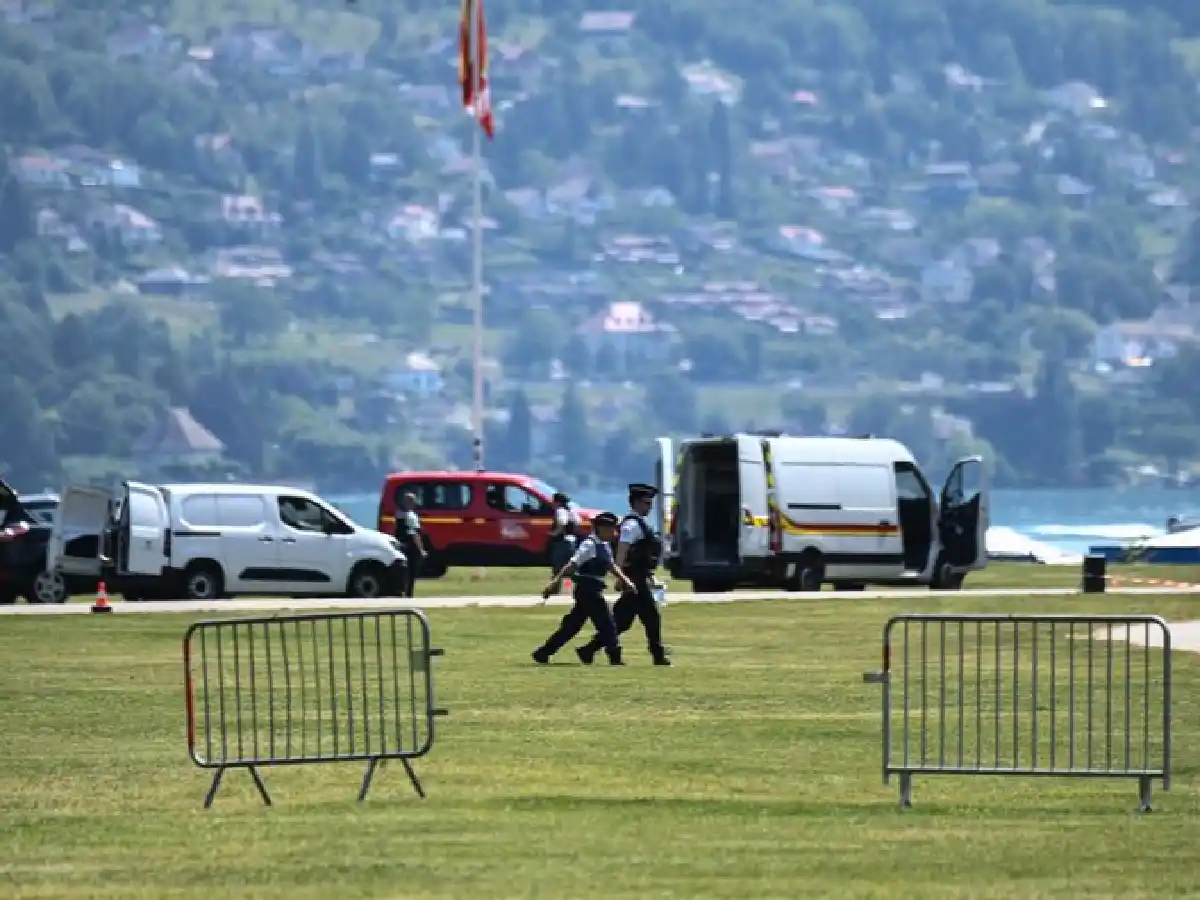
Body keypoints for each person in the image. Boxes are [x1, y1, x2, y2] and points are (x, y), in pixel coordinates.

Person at [576, 483, 670, 666]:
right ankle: (658, 655)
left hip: (639, 577)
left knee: (622, 621)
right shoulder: (631, 525)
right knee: (651, 617)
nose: (649, 507)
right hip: (634, 579)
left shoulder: (640, 524)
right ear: (635, 503)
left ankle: (588, 649)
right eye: (645, 503)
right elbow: (622, 550)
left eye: (650, 503)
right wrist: (621, 577)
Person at [532, 512, 634, 666]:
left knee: (572, 626)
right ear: (601, 528)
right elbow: (571, 565)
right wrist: (554, 584)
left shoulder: (603, 545)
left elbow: (610, 565)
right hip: (588, 591)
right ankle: (615, 657)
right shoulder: (589, 545)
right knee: (607, 624)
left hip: (593, 590)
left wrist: (625, 579)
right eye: (612, 529)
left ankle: (544, 652)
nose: (616, 533)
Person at [393, 492, 426, 598]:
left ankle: (403, 592)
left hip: (404, 543)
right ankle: (408, 594)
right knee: (411, 570)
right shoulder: (407, 515)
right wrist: (421, 549)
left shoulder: (402, 513)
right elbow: (413, 534)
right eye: (411, 501)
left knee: (405, 570)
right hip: (411, 545)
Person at [546, 491, 581, 586]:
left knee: (558, 567)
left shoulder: (560, 510)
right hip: (572, 540)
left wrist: (554, 533)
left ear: (558, 502)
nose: (552, 503)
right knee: (571, 566)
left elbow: (562, 522)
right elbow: (578, 524)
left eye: (553, 501)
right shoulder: (572, 510)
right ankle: (573, 587)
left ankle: (555, 588)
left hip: (562, 541)